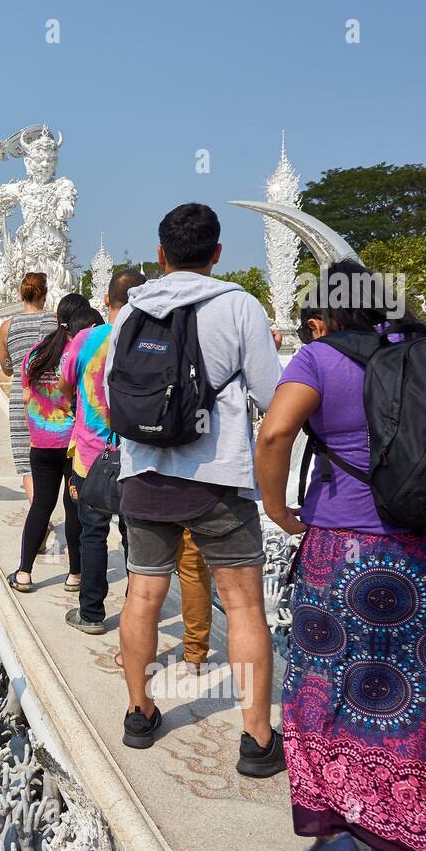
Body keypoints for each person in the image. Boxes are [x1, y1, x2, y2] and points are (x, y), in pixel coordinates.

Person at [255, 259, 426, 851]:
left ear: (325, 315)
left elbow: (275, 434)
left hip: (344, 549)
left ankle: (348, 823)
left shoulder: (320, 359)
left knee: (337, 680)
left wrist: (278, 508)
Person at [103, 203, 284, 777]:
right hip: (218, 481)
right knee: (245, 604)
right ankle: (256, 738)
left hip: (144, 478)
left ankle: (139, 712)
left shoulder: (129, 312)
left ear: (160, 254)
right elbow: (271, 393)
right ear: (217, 252)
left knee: (142, 599)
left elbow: (115, 393)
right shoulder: (237, 306)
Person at [60, 268, 216, 656]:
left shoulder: (87, 338)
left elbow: (64, 384)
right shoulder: (153, 335)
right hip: (137, 455)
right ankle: (137, 610)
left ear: (107, 300)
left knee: (93, 533)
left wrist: (77, 408)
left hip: (91, 455)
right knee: (135, 537)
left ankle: (92, 613)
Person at [8, 294, 99, 594]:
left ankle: (24, 572)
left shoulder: (35, 353)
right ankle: (75, 574)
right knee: (72, 506)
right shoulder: (79, 352)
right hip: (72, 443)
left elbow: (26, 396)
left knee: (40, 506)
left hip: (41, 442)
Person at [0, 273, 56, 498]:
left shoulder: (7, 326)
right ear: (44, 294)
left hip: (19, 397)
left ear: (21, 295)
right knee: (52, 459)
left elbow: (6, 367)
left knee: (26, 463)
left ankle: (38, 516)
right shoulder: (52, 320)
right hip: (48, 397)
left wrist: (17, 358)